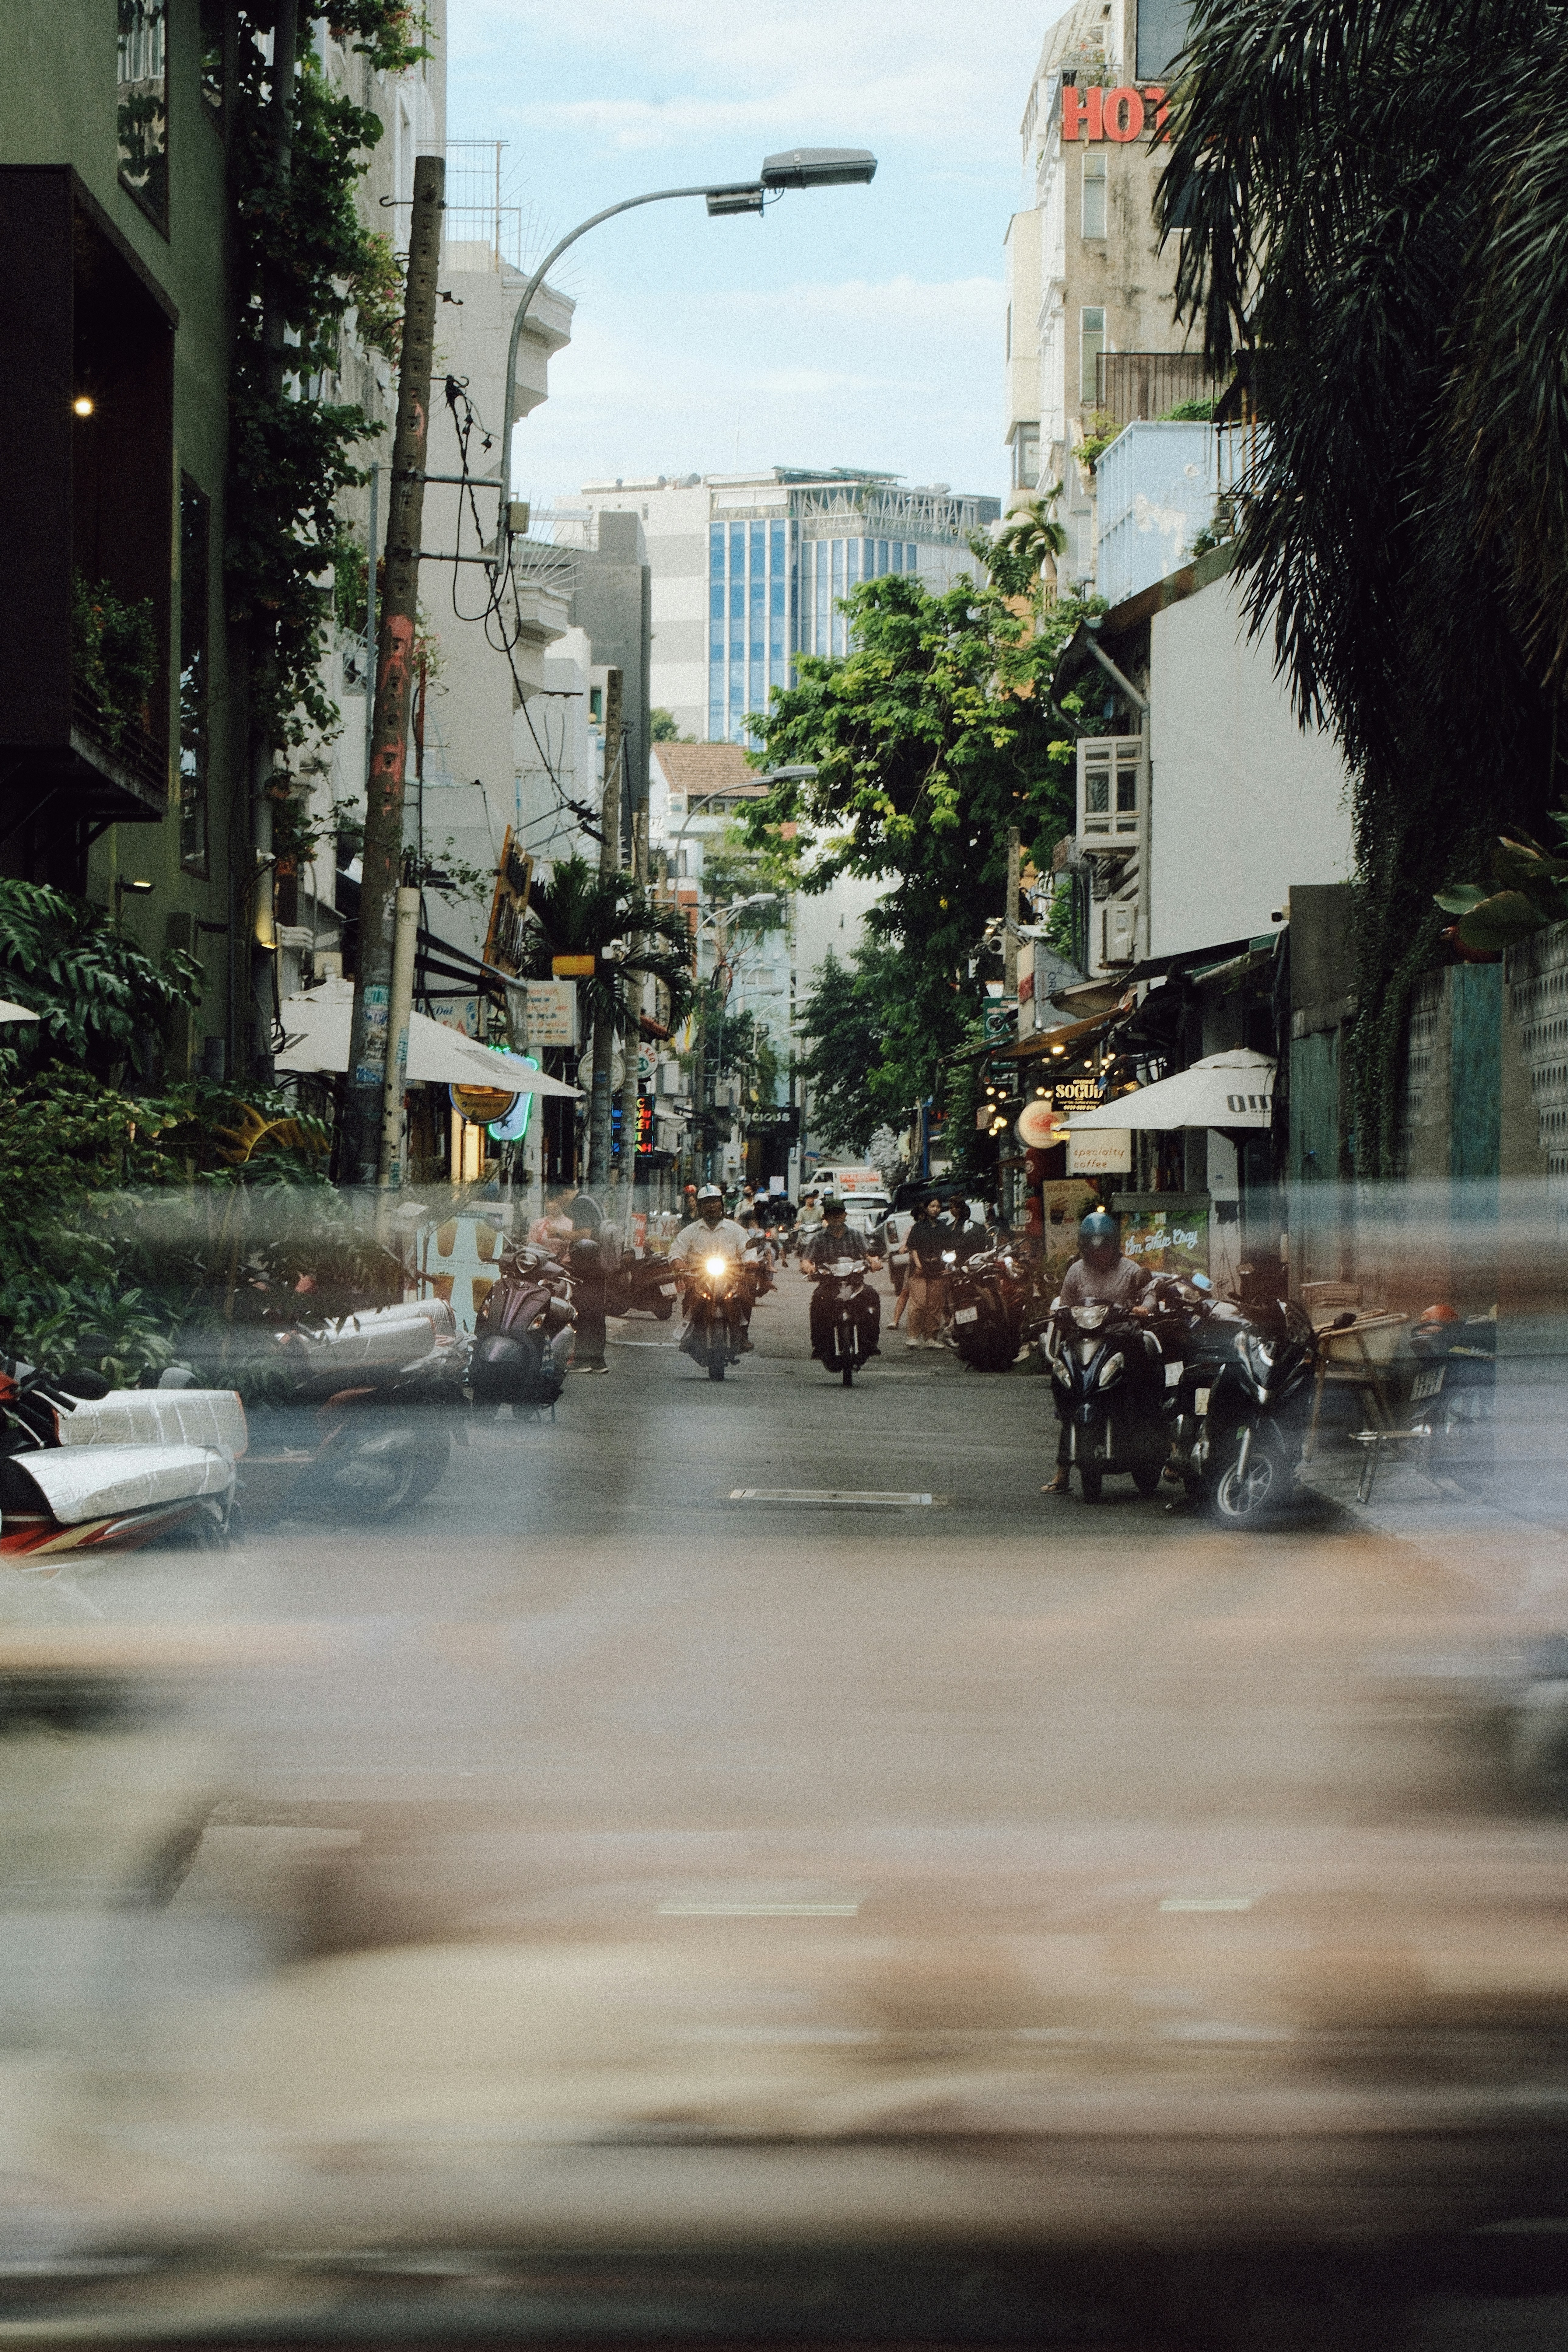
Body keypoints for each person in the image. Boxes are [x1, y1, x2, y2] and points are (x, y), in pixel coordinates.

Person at [1044, 1208, 1149, 1493]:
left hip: (1120, 1339)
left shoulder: (1130, 1269)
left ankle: (1149, 1425)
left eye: (1104, 1250)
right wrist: (1058, 1317)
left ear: (1115, 1246)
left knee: (1142, 1376)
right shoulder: (1076, 1270)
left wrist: (1145, 1307)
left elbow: (1149, 1289)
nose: (1099, 1255)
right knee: (1065, 1389)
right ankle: (1062, 1472)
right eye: (1093, 1250)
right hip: (1084, 1340)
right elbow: (1064, 1303)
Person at [670, 1182, 753, 1354]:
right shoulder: (690, 1231)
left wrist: (751, 1261)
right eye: (707, 1203)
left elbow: (748, 1249)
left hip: (730, 1276)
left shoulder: (735, 1230)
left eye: (716, 1202)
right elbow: (677, 1251)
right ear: (700, 1207)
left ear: (722, 1205)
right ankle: (690, 1334)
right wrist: (678, 1262)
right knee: (689, 1300)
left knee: (745, 1296)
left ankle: (743, 1334)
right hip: (700, 1278)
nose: (712, 1206)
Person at [799, 1195, 883, 1365]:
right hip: (829, 1284)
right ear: (825, 1218)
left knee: (872, 1295)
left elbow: (869, 1254)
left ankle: (872, 1342)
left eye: (839, 1213)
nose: (836, 1217)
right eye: (832, 1214)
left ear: (845, 1215)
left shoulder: (856, 1235)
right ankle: (819, 1345)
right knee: (817, 1301)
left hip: (855, 1282)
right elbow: (807, 1260)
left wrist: (875, 1262)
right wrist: (809, 1267)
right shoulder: (818, 1238)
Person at [564, 1187, 612, 1373]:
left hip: (587, 1266)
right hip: (599, 1265)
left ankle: (583, 1362)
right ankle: (598, 1362)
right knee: (596, 1314)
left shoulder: (581, 1203)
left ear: (565, 1193)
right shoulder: (593, 1200)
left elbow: (586, 1233)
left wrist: (559, 1234)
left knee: (583, 1312)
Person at [902, 1196, 953, 1348]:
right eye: (932, 1206)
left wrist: (948, 1266)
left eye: (938, 1207)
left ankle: (931, 1338)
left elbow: (950, 1250)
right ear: (926, 1209)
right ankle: (912, 1336)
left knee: (934, 1305)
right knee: (919, 1303)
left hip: (937, 1267)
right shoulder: (918, 1227)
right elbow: (913, 1249)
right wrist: (918, 1265)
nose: (935, 1209)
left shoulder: (944, 1228)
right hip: (919, 1268)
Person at [529, 1190, 574, 1257]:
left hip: (563, 1266)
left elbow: (571, 1252)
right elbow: (531, 1249)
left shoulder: (571, 1225)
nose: (550, 1205)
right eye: (547, 1202)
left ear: (561, 1202)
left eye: (553, 1201)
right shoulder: (538, 1224)